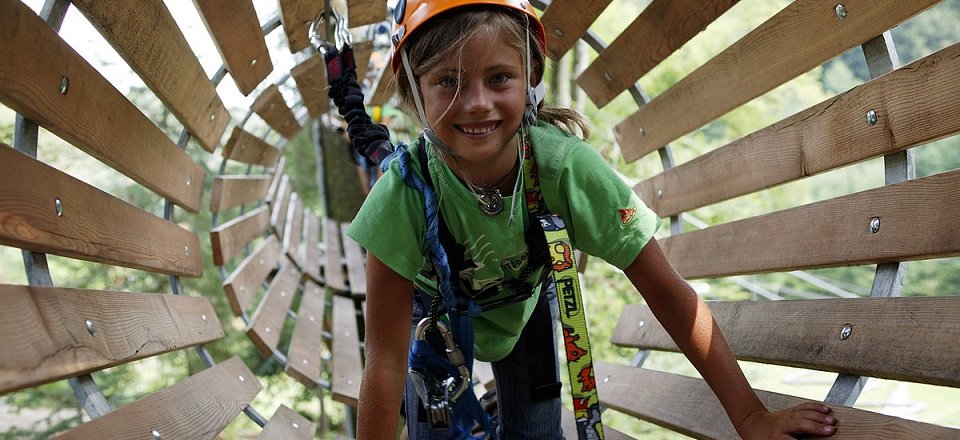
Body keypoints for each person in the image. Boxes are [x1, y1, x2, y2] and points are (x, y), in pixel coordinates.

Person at [345, 1, 840, 438]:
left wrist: (751, 418)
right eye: (447, 82)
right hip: (439, 319)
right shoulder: (406, 196)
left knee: (537, 430)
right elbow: (385, 361)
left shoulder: (564, 171)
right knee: (434, 427)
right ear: (413, 91)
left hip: (523, 302)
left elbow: (669, 293)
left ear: (531, 75)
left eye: (498, 78)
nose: (476, 102)